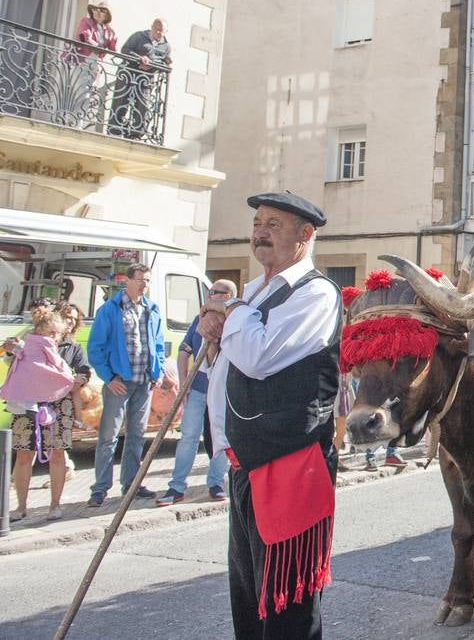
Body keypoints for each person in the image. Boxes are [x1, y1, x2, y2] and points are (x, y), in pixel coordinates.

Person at [199, 191, 342, 638]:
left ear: (305, 235)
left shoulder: (314, 293)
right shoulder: (254, 292)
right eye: (258, 222)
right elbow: (231, 369)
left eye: (274, 224)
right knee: (248, 599)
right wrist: (214, 337)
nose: (260, 231)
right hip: (247, 465)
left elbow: (259, 357)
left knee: (287, 607)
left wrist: (234, 312)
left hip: (291, 466)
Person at [87, 263, 174, 507]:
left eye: (147, 280)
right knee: (108, 437)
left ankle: (132, 484)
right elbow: (96, 348)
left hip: (144, 382)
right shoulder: (110, 310)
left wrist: (157, 372)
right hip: (120, 383)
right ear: (128, 280)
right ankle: (100, 489)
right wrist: (109, 377)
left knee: (136, 436)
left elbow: (157, 344)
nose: (145, 284)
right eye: (141, 280)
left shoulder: (152, 309)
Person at [3, 303, 88, 522]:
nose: (68, 324)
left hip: (59, 405)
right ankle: (20, 507)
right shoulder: (26, 343)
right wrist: (10, 351)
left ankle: (55, 505)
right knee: (23, 455)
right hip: (27, 405)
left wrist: (78, 379)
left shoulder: (72, 347)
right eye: (65, 319)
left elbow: (82, 371)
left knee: (57, 454)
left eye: (72, 320)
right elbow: (11, 361)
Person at [158, 279, 237, 506]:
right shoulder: (198, 320)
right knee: (189, 437)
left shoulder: (234, 322)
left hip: (222, 390)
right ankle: (176, 486)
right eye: (211, 291)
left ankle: (215, 483)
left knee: (219, 436)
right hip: (199, 388)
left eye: (219, 292)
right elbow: (184, 351)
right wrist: (184, 385)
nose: (212, 295)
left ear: (230, 295)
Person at [110, 18, 172, 140]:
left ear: (165, 31)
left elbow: (165, 64)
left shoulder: (166, 46)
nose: (158, 32)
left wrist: (152, 64)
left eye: (161, 30)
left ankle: (136, 134)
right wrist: (140, 58)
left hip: (145, 79)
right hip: (128, 74)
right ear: (151, 27)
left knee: (143, 104)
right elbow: (125, 50)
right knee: (121, 101)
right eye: (156, 29)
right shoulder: (139, 36)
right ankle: (114, 130)